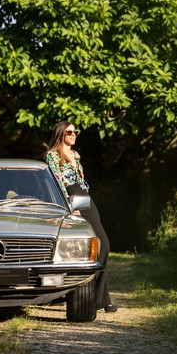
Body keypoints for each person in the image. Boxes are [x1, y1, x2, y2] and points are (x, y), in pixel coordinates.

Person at [45, 120, 117, 313]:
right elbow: (58, 183)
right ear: (61, 133)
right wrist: (68, 206)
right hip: (70, 198)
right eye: (69, 132)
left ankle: (100, 297)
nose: (74, 134)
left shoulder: (76, 154)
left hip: (85, 197)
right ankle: (86, 297)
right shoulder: (51, 156)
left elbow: (81, 179)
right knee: (80, 248)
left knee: (104, 244)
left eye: (75, 132)